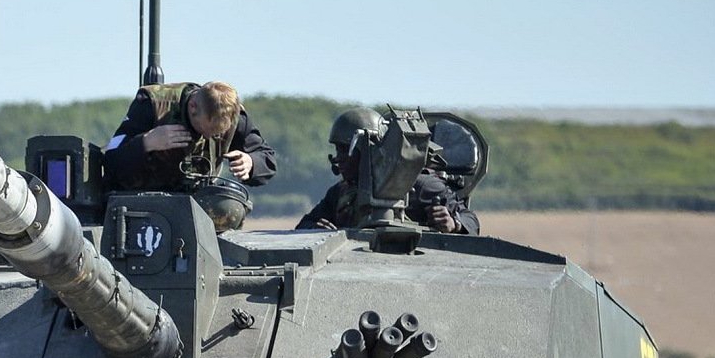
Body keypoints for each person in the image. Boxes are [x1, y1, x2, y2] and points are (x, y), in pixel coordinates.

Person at [296, 107, 479, 234]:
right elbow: (303, 226)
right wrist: (317, 230)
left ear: (368, 150)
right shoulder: (341, 192)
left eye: (345, 150)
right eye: (337, 150)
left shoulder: (420, 186)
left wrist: (454, 224)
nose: (338, 158)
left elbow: (471, 221)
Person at [101, 81, 278, 193]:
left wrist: (251, 162)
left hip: (199, 211)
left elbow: (267, 159)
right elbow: (110, 162)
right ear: (193, 107)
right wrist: (146, 143)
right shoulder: (152, 105)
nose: (212, 136)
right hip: (143, 206)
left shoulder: (234, 117)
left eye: (219, 133)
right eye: (209, 129)